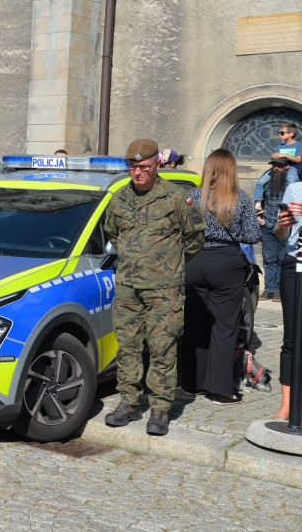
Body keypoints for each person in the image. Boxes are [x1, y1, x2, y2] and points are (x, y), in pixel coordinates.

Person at [102, 138, 205, 436]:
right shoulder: (119, 198)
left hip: (164, 289)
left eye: (144, 166)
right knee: (128, 347)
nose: (137, 172)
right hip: (128, 288)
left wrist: (167, 262)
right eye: (132, 167)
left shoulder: (176, 197)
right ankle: (129, 402)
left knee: (162, 348)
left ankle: (160, 408)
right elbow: (112, 231)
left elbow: (195, 239)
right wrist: (136, 258)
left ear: (157, 164)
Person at [181, 149, 262, 404]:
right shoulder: (239, 199)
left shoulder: (193, 197)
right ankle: (220, 389)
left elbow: (181, 229)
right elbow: (252, 236)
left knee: (195, 324)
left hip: (195, 260)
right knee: (224, 328)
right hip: (226, 263)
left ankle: (192, 384)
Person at [271, 182, 302, 420]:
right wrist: (283, 225)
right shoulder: (295, 188)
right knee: (290, 338)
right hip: (294, 264)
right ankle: (287, 406)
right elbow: (280, 235)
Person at [253, 155, 298, 301]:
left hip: (285, 227)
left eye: (279, 166)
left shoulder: (291, 185)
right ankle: (269, 289)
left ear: (286, 167)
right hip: (267, 225)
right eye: (274, 166)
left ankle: (279, 290)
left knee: (282, 259)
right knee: (268, 259)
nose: (276, 168)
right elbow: (258, 204)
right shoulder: (266, 182)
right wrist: (258, 217)